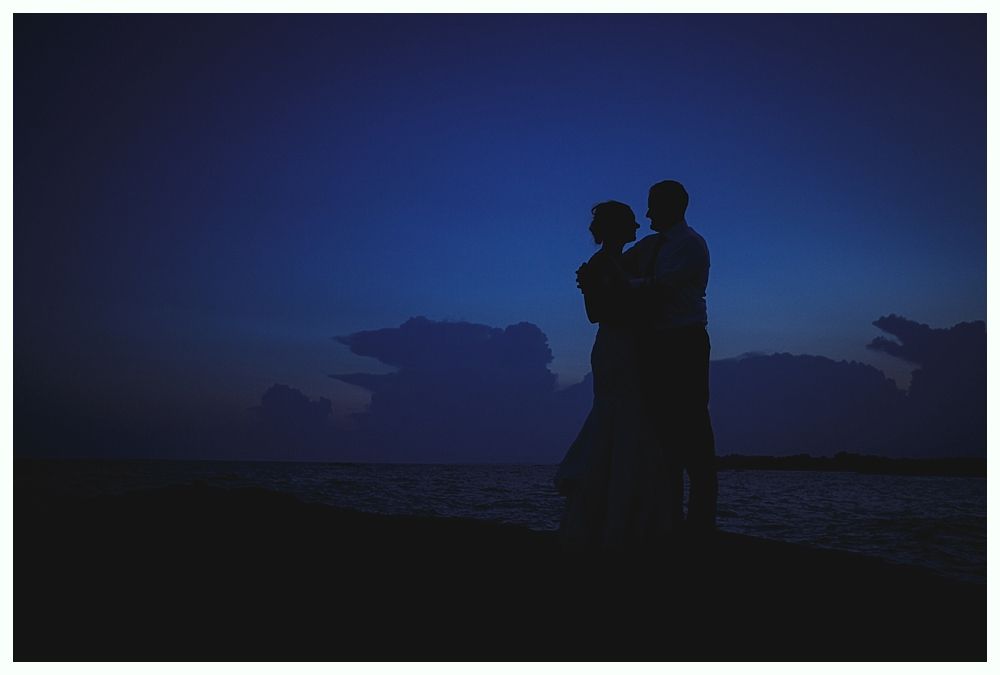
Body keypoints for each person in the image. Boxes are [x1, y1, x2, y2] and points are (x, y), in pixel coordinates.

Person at [555, 201, 673, 549]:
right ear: (619, 228)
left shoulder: (623, 260)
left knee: (628, 420)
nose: (639, 227)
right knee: (617, 417)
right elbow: (597, 312)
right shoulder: (602, 264)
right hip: (616, 346)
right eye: (632, 223)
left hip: (626, 345)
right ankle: (609, 510)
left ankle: (621, 508)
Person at [620, 180, 717, 531]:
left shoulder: (692, 245)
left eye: (653, 206)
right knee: (664, 433)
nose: (646, 214)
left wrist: (623, 286)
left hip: (685, 341)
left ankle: (701, 519)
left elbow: (661, 287)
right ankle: (671, 515)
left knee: (693, 427)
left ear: (673, 207)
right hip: (658, 344)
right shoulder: (649, 245)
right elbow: (621, 266)